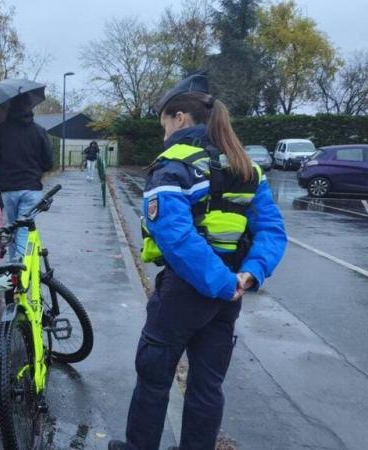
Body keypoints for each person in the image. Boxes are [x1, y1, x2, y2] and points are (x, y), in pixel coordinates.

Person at [109, 73, 286, 450]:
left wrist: (222, 282)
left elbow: (175, 235)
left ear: (180, 119)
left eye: (164, 125)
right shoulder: (245, 167)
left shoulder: (174, 163)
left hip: (186, 292)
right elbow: (272, 230)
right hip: (229, 295)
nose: (163, 135)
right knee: (207, 384)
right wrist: (248, 275)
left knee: (154, 375)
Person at [0, 94, 53, 260]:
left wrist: (4, 172)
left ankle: (14, 273)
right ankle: (21, 271)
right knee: (24, 230)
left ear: (10, 108)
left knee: (12, 229)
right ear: (30, 108)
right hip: (31, 188)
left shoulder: (0, 130)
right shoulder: (39, 131)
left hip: (8, 189)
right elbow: (48, 163)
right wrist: (36, 170)